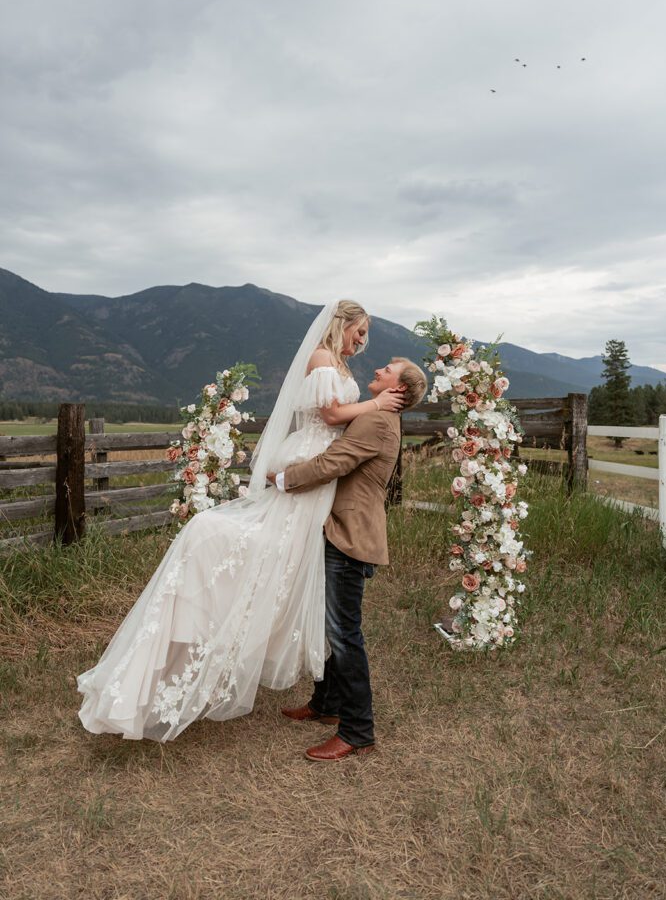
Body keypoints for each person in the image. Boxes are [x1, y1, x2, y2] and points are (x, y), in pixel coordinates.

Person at [76, 300, 406, 742]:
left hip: (319, 486)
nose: (363, 342)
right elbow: (329, 417)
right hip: (308, 474)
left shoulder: (350, 378)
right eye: (360, 331)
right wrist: (374, 402)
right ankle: (212, 642)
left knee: (311, 592)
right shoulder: (324, 359)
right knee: (257, 557)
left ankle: (331, 704)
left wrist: (372, 404)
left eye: (367, 335)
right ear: (341, 324)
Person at [269, 357, 428, 761]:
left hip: (350, 536)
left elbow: (334, 462)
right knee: (329, 624)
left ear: (400, 389)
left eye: (389, 370)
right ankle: (327, 704)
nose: (379, 370)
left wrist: (284, 479)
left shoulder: (376, 421)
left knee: (344, 633)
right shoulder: (375, 416)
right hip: (338, 528)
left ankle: (358, 730)